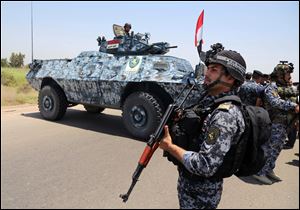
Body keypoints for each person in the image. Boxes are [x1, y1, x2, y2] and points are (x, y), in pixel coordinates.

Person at [159, 48, 246, 209]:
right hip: (190, 186)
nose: (207, 73)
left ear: (230, 78)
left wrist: (170, 147)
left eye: (213, 70)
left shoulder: (224, 116)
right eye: (208, 68)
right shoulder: (210, 101)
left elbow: (205, 165)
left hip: (201, 194)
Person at [252, 62, 299, 184]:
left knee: (277, 149)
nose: (289, 76)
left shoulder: (287, 87)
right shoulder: (271, 87)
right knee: (270, 149)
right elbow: (275, 102)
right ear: (280, 75)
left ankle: (269, 170)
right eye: (287, 73)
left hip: (285, 124)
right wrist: (294, 106)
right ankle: (260, 172)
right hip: (275, 123)